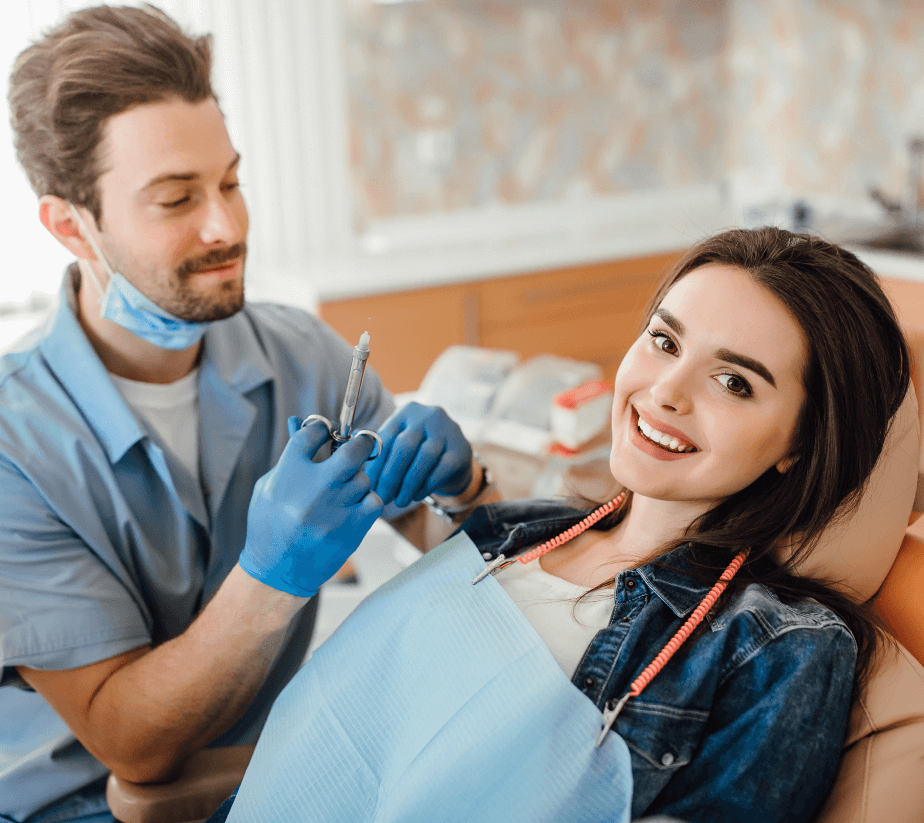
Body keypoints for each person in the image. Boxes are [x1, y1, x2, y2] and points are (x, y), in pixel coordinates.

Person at [208, 227, 910, 823]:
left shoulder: (778, 647)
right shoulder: (522, 529)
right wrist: (446, 487)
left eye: (735, 382)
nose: (666, 392)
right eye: (665, 341)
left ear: (801, 442)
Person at [0, 6, 494, 822]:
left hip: (264, 776)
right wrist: (271, 575)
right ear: (70, 225)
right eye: (175, 199)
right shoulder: (15, 445)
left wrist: (469, 485)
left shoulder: (301, 355)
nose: (226, 225)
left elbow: (466, 556)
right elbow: (133, 743)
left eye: (230, 181)